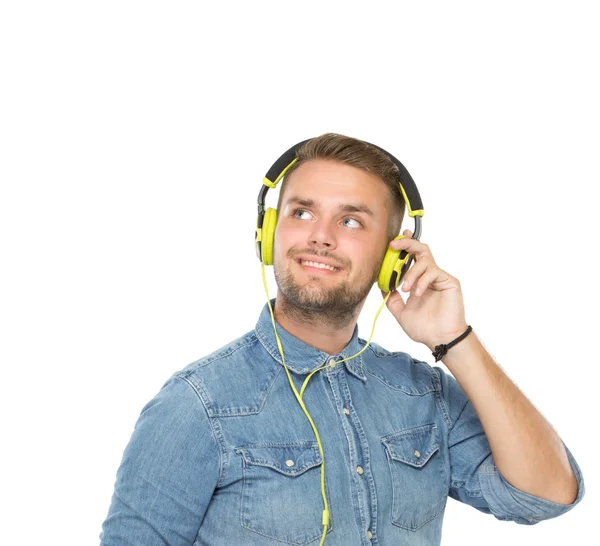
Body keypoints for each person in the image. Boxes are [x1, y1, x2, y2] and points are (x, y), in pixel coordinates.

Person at [99, 133, 585, 546]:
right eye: (302, 213)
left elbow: (546, 495)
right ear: (268, 234)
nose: (321, 237)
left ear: (394, 256)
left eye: (351, 221)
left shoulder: (424, 396)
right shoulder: (197, 405)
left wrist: (454, 341)